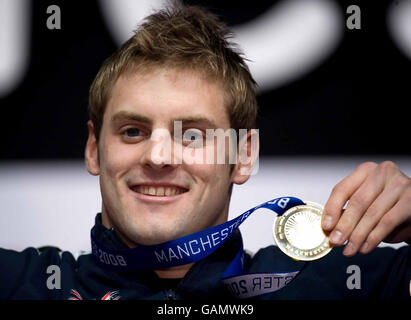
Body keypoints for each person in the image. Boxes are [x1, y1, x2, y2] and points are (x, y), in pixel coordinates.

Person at [0, 3, 410, 300]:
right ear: (93, 149)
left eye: (192, 135)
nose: (158, 156)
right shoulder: (26, 284)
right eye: (132, 131)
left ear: (244, 155)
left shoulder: (339, 285)